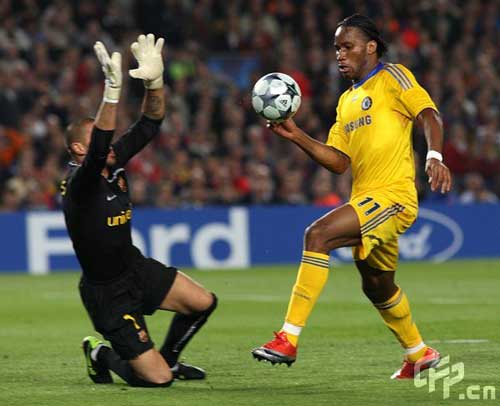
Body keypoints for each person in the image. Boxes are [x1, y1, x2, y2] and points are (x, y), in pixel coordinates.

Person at [252, 14, 452, 379]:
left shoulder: (394, 77)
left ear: (371, 47)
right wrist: (296, 135)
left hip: (393, 197)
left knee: (318, 235)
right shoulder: (346, 102)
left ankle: (288, 338)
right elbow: (339, 162)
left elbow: (429, 114)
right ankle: (418, 353)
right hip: (366, 198)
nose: (340, 55)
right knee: (377, 284)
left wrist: (434, 156)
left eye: (348, 47)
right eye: (336, 49)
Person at [61, 34, 217, 387]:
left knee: (203, 302)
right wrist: (111, 93)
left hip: (134, 268)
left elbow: (150, 122)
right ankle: (102, 354)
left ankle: (171, 361)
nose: (111, 143)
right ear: (77, 148)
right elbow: (99, 150)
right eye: (99, 137)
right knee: (156, 381)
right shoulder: (80, 185)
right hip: (107, 293)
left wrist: (155, 82)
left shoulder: (112, 164)